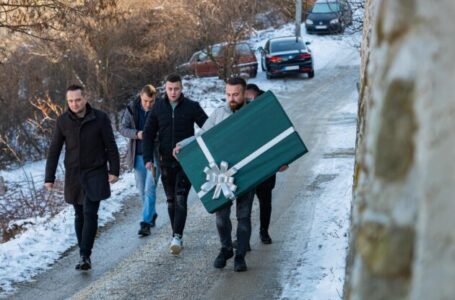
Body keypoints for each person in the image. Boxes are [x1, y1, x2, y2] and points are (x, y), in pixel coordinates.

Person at [174, 77, 254, 272]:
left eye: (235, 94)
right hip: (222, 173)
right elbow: (201, 136)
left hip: (247, 171)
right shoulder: (219, 113)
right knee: (221, 215)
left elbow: (268, 136)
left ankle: (240, 256)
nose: (231, 98)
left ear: (244, 94)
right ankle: (226, 248)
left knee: (243, 216)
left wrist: (282, 161)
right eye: (228, 94)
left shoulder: (255, 112)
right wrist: (182, 146)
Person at [45, 84, 120, 271]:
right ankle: (82, 254)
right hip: (73, 175)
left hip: (95, 171)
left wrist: (114, 170)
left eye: (78, 100)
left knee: (90, 212)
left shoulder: (100, 118)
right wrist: (49, 176)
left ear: (85, 98)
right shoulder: (63, 121)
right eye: (70, 101)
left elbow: (111, 145)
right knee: (79, 214)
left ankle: (85, 254)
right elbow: (54, 150)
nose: (74, 104)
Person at [143, 74, 208, 255]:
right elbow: (148, 134)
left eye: (177, 89)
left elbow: (208, 127)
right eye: (170, 89)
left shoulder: (191, 107)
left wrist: (196, 148)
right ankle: (175, 234)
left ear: (182, 88)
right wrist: (148, 158)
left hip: (186, 161)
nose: (173, 92)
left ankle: (177, 236)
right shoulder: (157, 108)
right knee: (171, 201)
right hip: (164, 162)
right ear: (165, 88)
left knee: (180, 198)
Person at [245, 83, 288, 244]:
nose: (250, 101)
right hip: (246, 167)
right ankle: (244, 239)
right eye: (247, 99)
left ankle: (264, 231)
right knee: (245, 206)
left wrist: (283, 160)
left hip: (266, 165)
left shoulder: (269, 112)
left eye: (252, 98)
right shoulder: (240, 111)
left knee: (265, 201)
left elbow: (280, 137)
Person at [120, 84, 160, 237]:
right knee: (142, 190)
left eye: (151, 101)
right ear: (140, 96)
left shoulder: (160, 108)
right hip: (137, 155)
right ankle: (151, 213)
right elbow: (122, 129)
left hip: (155, 156)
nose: (148, 105)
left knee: (150, 189)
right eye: (145, 101)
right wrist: (137, 134)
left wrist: (151, 135)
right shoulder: (131, 109)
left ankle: (145, 223)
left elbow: (165, 130)